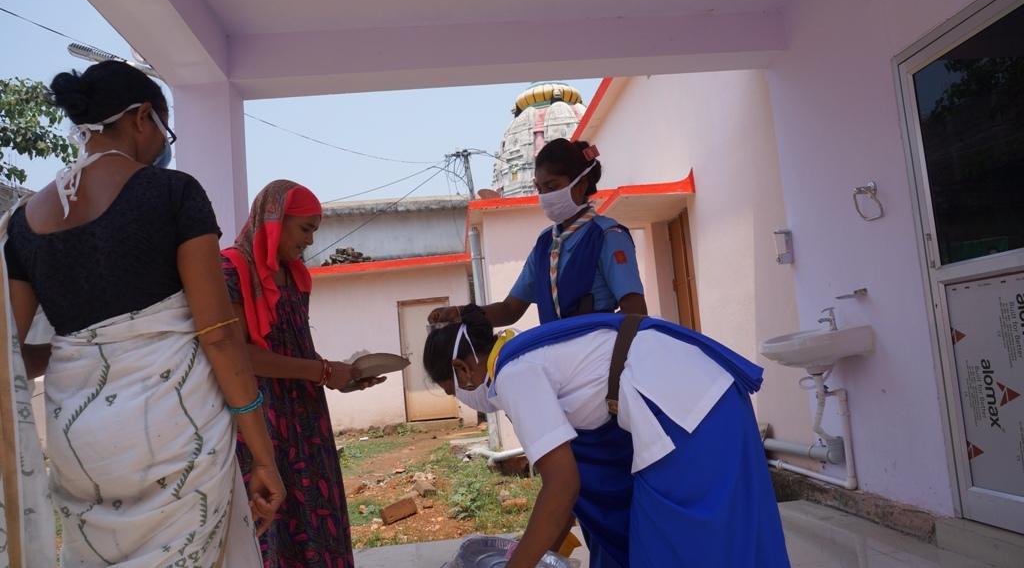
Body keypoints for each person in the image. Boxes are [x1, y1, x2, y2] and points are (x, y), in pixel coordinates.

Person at [0, 60, 284, 567]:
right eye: (164, 130)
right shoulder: (173, 194)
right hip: (173, 436)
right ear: (142, 118)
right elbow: (218, 336)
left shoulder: (23, 223)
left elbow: (12, 356)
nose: (163, 145)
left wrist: (80, 348)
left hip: (80, 445)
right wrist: (262, 456)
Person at [422, 305, 792, 568]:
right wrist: (546, 551)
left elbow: (562, 485)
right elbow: (567, 490)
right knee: (721, 543)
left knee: (672, 546)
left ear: (462, 368)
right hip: (702, 397)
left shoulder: (514, 374)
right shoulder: (525, 354)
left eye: (452, 388)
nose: (463, 398)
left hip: (688, 411)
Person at [221, 180, 385, 568]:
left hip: (306, 423)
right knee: (271, 530)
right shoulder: (230, 269)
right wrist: (322, 371)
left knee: (316, 524)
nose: (310, 241)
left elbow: (296, 352)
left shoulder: (294, 276)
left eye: (315, 230)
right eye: (305, 228)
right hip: (258, 421)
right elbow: (240, 356)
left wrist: (341, 377)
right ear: (275, 221)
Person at [429, 138, 647, 328]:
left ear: (581, 185)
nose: (544, 196)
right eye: (540, 188)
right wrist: (462, 314)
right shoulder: (546, 244)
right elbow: (509, 310)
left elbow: (635, 310)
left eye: (552, 187)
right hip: (555, 358)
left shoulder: (608, 236)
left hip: (598, 359)